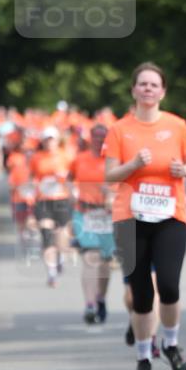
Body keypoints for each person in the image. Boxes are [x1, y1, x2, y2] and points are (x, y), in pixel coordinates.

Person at [104, 63, 186, 370]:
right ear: (133, 90)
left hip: (170, 216)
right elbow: (109, 174)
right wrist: (133, 164)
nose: (147, 89)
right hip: (129, 218)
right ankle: (144, 358)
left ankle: (170, 344)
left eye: (153, 84)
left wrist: (183, 170)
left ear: (162, 91)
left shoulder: (177, 126)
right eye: (142, 84)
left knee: (169, 284)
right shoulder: (120, 129)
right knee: (141, 293)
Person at [69, 124, 115, 324]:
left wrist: (113, 194)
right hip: (84, 212)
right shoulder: (80, 159)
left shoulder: (113, 161)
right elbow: (69, 178)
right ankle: (89, 304)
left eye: (103, 136)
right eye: (96, 135)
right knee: (90, 257)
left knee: (105, 262)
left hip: (107, 214)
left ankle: (101, 298)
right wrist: (71, 192)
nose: (99, 139)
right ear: (90, 138)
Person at [30, 127, 73, 287]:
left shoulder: (66, 155)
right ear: (43, 141)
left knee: (61, 236)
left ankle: (60, 257)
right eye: (47, 139)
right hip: (43, 200)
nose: (49, 142)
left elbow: (72, 176)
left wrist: (64, 177)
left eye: (52, 139)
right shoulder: (37, 158)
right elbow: (33, 177)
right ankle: (52, 273)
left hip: (61, 199)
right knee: (46, 233)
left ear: (57, 140)